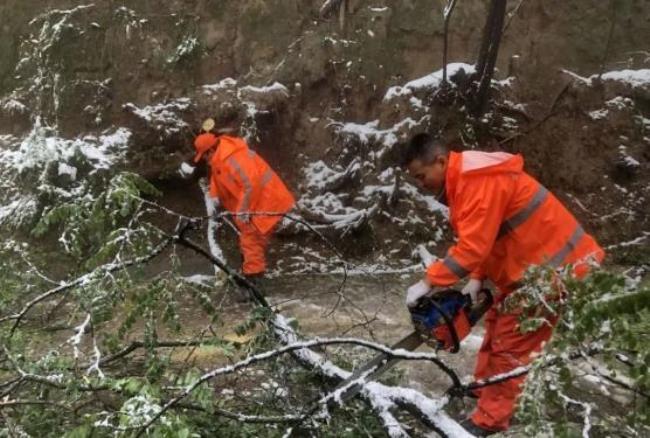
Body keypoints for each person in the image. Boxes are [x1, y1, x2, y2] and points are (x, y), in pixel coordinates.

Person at [401, 133, 605, 436]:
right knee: (497, 326)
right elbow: (489, 236)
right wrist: (477, 278)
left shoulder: (476, 183)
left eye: (422, 175)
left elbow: (472, 247)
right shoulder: (466, 180)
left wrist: (429, 281)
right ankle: (486, 389)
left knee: (511, 343)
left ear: (441, 161)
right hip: (530, 271)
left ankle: (491, 418)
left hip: (554, 272)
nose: (421, 183)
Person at [193, 122, 295, 290]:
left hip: (266, 200)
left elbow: (251, 185)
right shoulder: (222, 158)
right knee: (249, 241)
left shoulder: (232, 157)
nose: (205, 160)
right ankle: (252, 280)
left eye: (204, 156)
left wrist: (243, 210)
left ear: (211, 151)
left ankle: (254, 287)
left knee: (251, 241)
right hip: (259, 201)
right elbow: (224, 185)